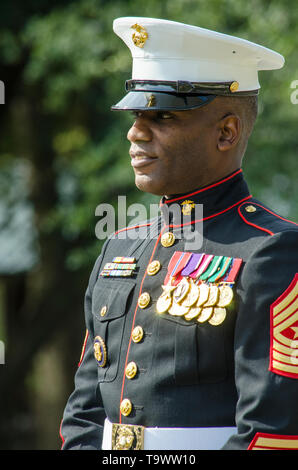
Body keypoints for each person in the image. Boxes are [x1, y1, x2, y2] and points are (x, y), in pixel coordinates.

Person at [60, 17, 298, 451]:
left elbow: (274, 432)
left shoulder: (271, 251)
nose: (135, 132)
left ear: (226, 132)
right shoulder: (121, 244)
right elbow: (85, 412)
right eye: (135, 115)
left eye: (163, 115)